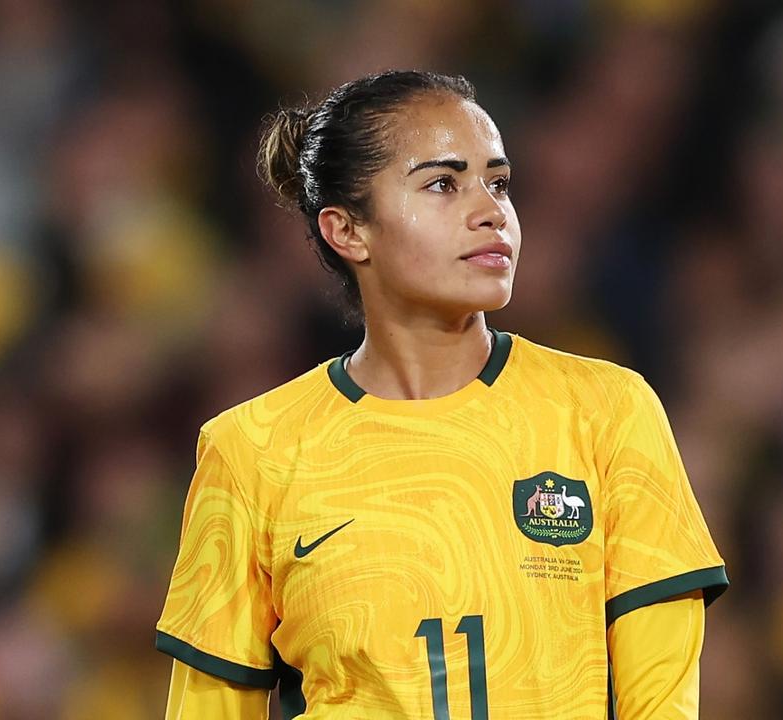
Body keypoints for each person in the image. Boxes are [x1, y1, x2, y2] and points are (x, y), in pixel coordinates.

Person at [156, 70, 727, 719]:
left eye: (498, 183)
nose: (490, 211)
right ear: (348, 231)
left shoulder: (607, 411)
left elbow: (662, 704)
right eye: (442, 184)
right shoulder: (249, 451)